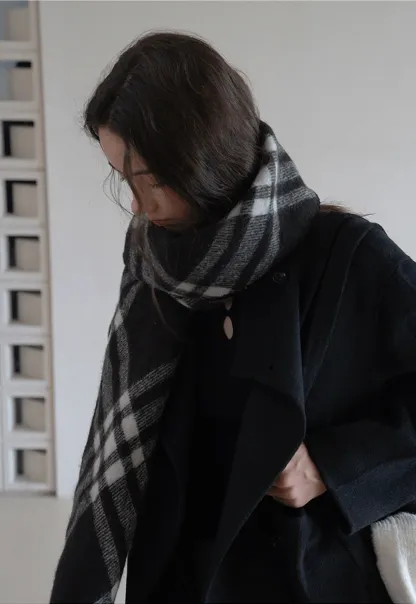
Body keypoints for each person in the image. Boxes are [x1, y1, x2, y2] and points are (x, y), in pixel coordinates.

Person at [51, 32, 416, 604]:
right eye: (124, 180)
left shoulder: (348, 257)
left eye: (150, 181)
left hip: (307, 580)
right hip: (181, 576)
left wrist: (334, 465)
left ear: (200, 159)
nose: (138, 208)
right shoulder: (156, 265)